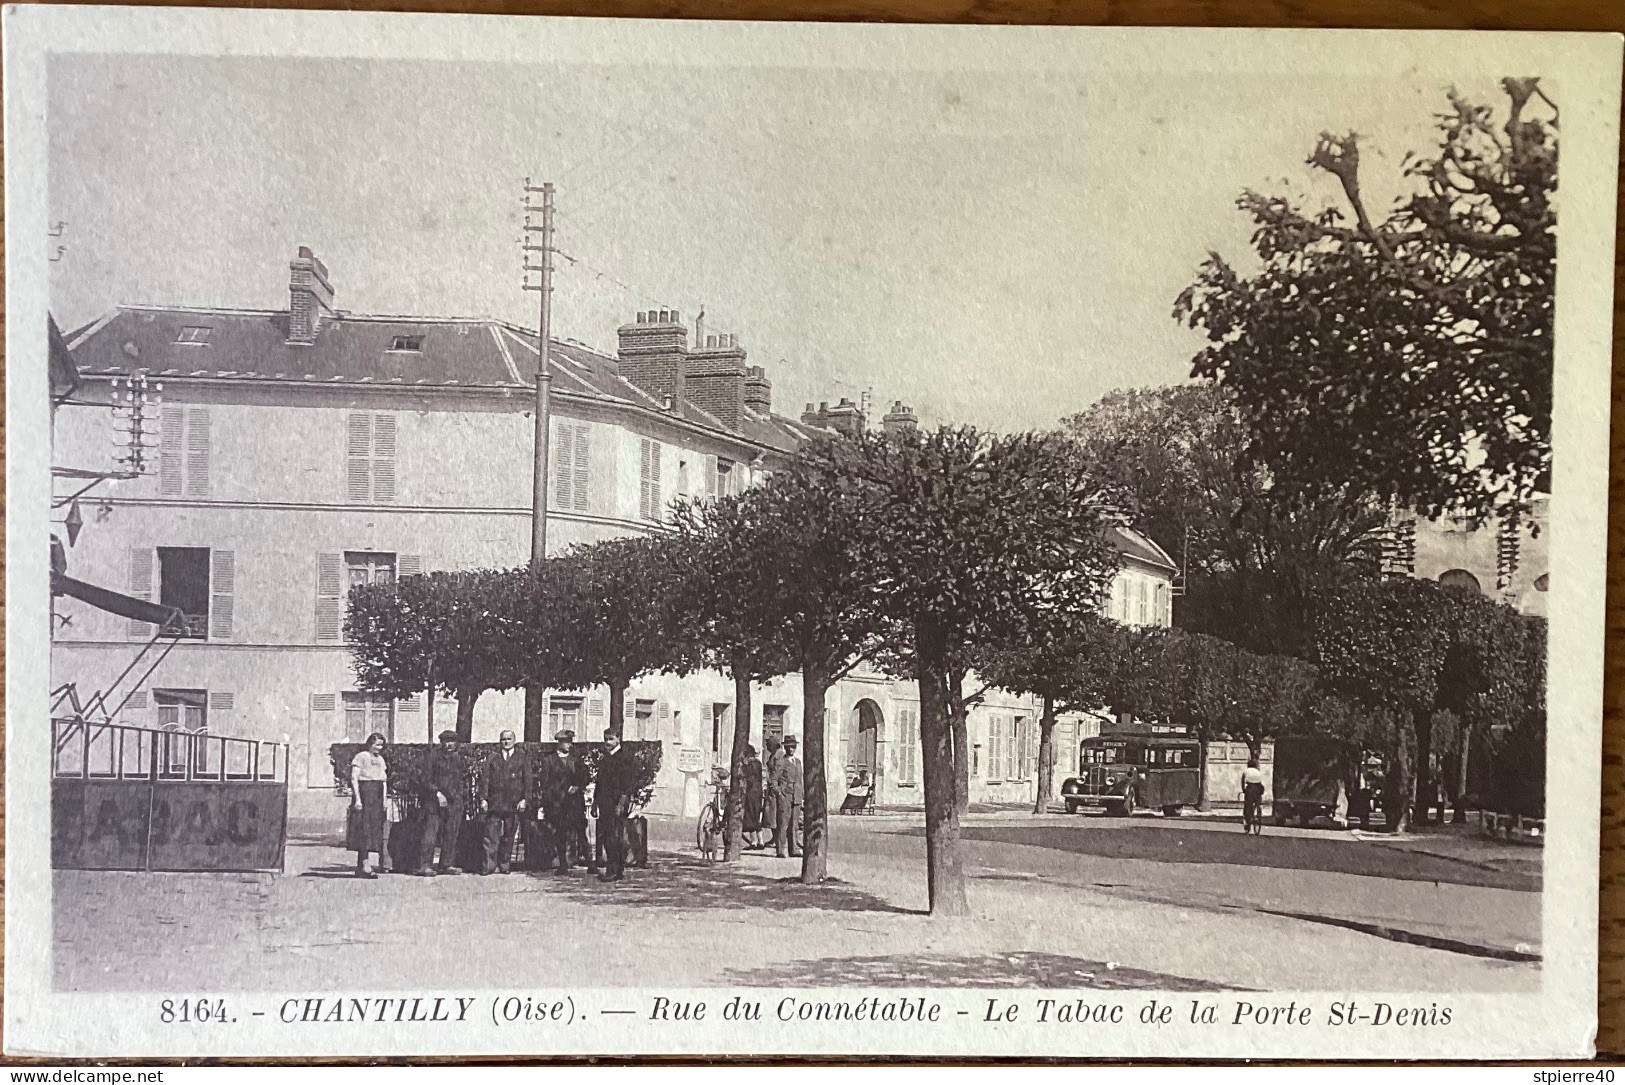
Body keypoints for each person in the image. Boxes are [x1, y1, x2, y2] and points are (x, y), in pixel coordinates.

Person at [536, 729, 590, 873]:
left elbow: (586, 777)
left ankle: (590, 863)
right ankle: (563, 864)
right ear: (559, 743)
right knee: (560, 833)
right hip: (557, 804)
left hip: (575, 803)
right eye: (566, 742)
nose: (569, 745)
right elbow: (544, 783)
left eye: (570, 742)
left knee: (581, 832)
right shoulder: (549, 760)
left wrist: (578, 786)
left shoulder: (576, 759)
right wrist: (547, 803)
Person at [479, 730, 531, 875]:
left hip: (513, 803)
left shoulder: (522, 757)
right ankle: (489, 865)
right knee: (490, 836)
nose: (506, 742)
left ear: (514, 740)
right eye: (503, 739)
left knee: (509, 835)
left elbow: (528, 781)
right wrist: (483, 798)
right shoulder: (493, 757)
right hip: (495, 802)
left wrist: (524, 800)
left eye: (509, 739)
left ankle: (504, 864)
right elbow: (485, 780)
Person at [415, 730, 467, 876]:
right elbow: (425, 779)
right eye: (446, 741)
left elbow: (460, 779)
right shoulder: (432, 756)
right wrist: (437, 793)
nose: (449, 744)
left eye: (452, 741)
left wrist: (459, 797)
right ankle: (425, 865)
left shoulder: (457, 758)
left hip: (453, 801)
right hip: (433, 801)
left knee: (451, 832)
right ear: (441, 742)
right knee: (430, 833)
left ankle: (446, 864)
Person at [593, 728, 636, 882]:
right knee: (606, 836)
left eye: (610, 739)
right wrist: (594, 803)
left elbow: (628, 784)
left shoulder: (624, 758)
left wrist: (621, 804)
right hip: (604, 804)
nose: (607, 742)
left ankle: (615, 870)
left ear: (618, 739)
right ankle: (613, 868)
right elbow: (599, 783)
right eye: (605, 739)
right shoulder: (605, 758)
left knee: (615, 837)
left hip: (616, 804)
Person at [349, 732, 389, 878]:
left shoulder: (381, 759)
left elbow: (384, 781)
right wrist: (358, 799)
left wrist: (384, 800)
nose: (379, 747)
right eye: (376, 744)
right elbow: (354, 778)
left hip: (377, 795)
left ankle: (362, 866)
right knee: (363, 830)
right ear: (369, 744)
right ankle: (365, 865)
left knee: (373, 831)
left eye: (381, 745)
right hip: (366, 793)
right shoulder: (361, 756)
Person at [771, 735, 804, 858]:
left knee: (794, 824)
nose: (791, 749)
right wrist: (779, 793)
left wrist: (802, 796)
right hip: (785, 796)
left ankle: (794, 849)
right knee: (783, 824)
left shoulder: (798, 762)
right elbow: (773, 780)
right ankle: (780, 850)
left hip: (797, 796)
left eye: (794, 747)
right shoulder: (781, 762)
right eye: (789, 747)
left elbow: (800, 780)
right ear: (785, 748)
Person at [762, 736, 784, 853]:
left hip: (776, 789)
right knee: (770, 815)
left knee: (775, 815)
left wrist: (772, 783)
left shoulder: (779, 756)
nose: (767, 747)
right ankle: (774, 838)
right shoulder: (773, 755)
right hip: (772, 789)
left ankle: (777, 839)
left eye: (769, 745)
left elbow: (777, 773)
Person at [741, 744, 765, 849]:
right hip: (758, 792)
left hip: (751, 792)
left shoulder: (749, 765)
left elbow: (749, 779)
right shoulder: (758, 763)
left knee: (750, 816)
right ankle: (761, 841)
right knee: (756, 816)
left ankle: (754, 842)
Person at [1240, 756, 1265, 831]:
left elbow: (1243, 782)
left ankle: (1248, 823)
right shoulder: (1258, 772)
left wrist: (1244, 790)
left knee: (1247, 806)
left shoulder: (1246, 771)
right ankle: (1258, 810)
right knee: (1257, 801)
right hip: (1259, 789)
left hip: (1250, 789)